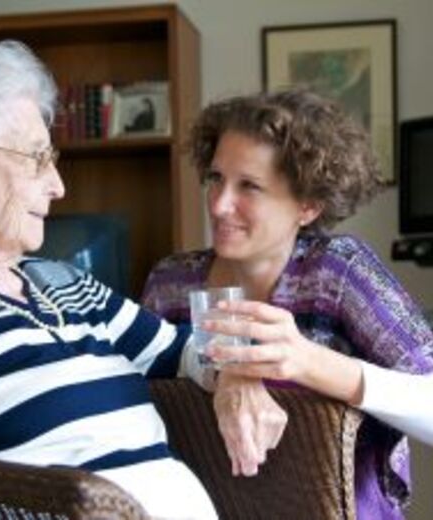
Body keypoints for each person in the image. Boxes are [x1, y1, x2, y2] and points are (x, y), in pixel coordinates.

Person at [0, 40, 222, 520]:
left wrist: (241, 378)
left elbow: (186, 351)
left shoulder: (64, 282)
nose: (58, 185)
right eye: (36, 158)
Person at [141, 88, 433, 519]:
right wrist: (227, 375)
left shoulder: (339, 273)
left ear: (308, 206)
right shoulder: (172, 283)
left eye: (250, 187)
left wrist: (306, 363)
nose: (220, 205)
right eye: (216, 178)